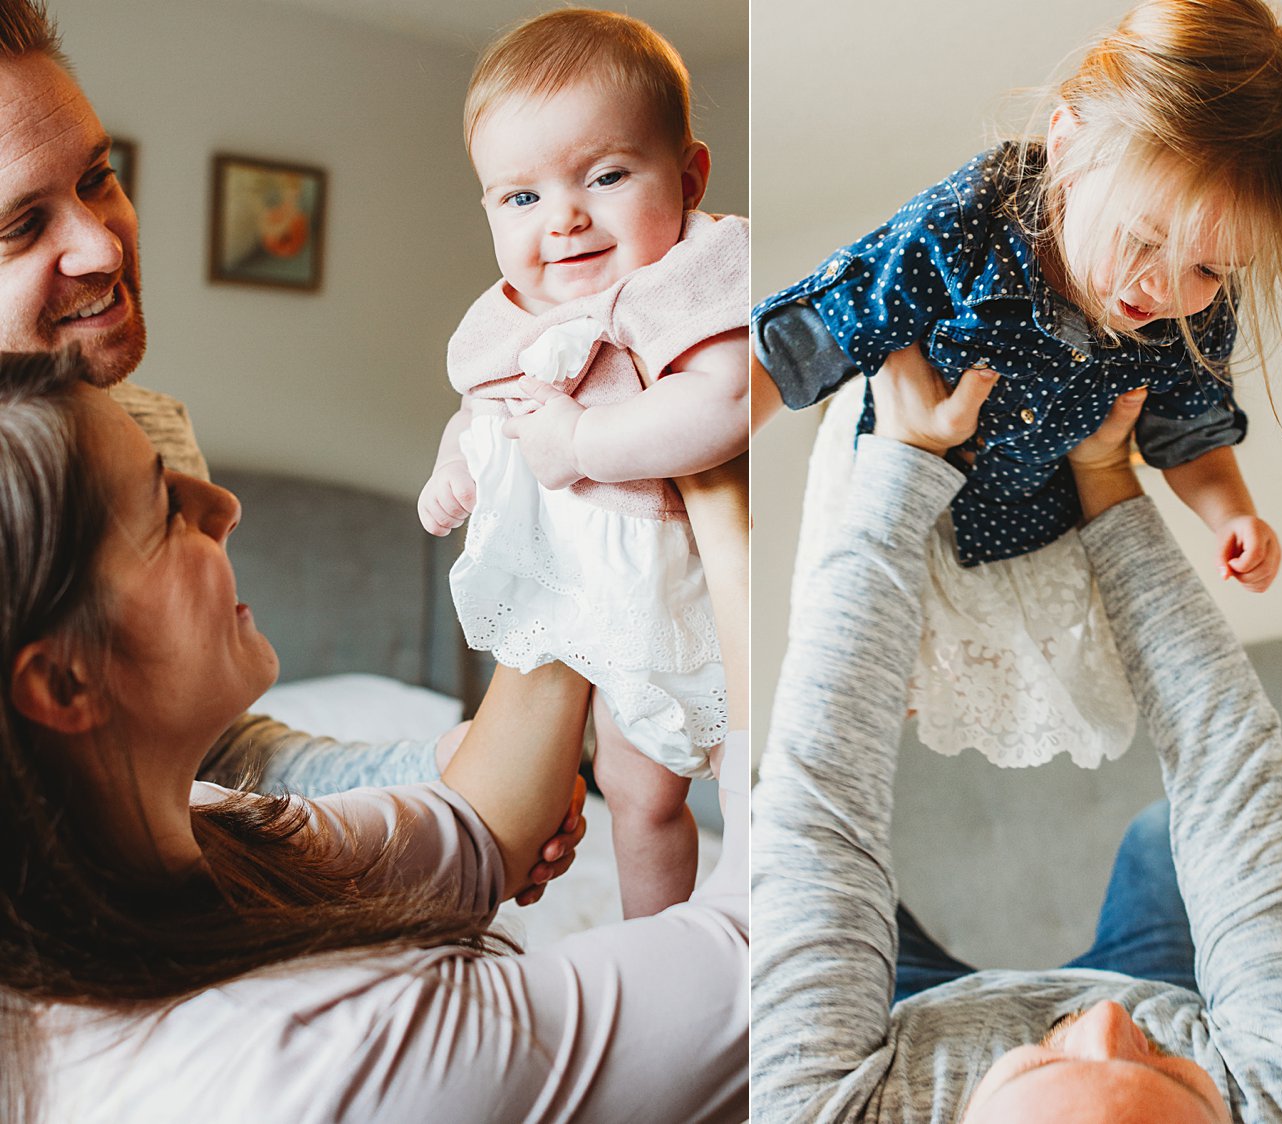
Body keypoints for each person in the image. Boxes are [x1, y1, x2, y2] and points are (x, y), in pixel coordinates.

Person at [0, 349, 749, 1124]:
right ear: (63, 683)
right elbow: (768, 959)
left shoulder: (159, 840)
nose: (224, 505)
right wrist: (731, 529)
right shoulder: (323, 1054)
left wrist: (591, 495)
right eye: (166, 510)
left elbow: (479, 829)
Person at [749, 348, 1282, 1122]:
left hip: (908, 1029)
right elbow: (1227, 762)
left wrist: (904, 457)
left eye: (1040, 1064)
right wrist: (1108, 479)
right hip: (1165, 982)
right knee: (1170, 832)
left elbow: (819, 807)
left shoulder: (819, 1108)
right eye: (1176, 1073)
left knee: (776, 880)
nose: (1106, 1022)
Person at [751, 0, 1282, 771]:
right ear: (1067, 145)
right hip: (896, 467)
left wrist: (1232, 515)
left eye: (1210, 269)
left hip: (1034, 512)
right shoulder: (974, 217)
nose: (1163, 285)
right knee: (862, 663)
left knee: (1043, 681)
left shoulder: (1197, 314)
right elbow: (817, 328)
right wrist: (712, 439)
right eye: (1143, 238)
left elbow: (1190, 429)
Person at [0, 0, 453, 795]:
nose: (104, 243)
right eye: (21, 225)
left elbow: (210, 753)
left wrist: (447, 776)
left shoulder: (152, 435)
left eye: (98, 179)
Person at [417, 9, 749, 918]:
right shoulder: (509, 316)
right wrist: (458, 463)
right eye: (521, 197)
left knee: (761, 790)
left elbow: (723, 402)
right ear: (488, 207)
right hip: (603, 612)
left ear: (687, 180)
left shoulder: (690, 274)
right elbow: (486, 409)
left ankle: (764, 954)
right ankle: (658, 949)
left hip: (708, 593)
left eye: (605, 177)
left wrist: (581, 445)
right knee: (637, 800)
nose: (563, 218)